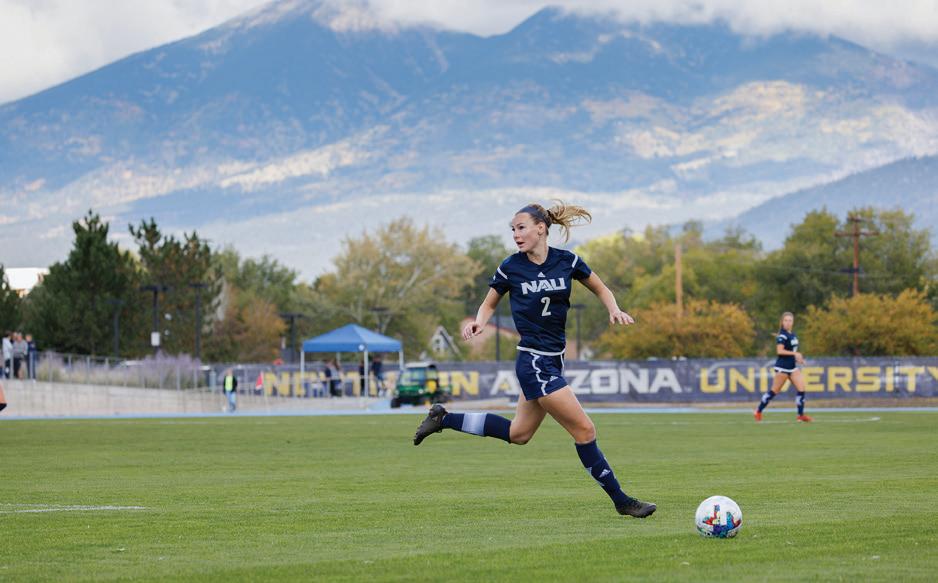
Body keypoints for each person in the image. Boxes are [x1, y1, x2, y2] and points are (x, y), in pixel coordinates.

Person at [413, 201, 656, 518]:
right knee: (585, 431)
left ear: (541, 228)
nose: (516, 234)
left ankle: (444, 418)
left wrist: (614, 309)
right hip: (535, 363)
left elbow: (600, 287)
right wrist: (479, 322)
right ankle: (622, 501)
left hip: (553, 360)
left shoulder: (567, 261)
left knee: (519, 434)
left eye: (521, 227)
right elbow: (489, 303)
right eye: (513, 230)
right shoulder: (511, 267)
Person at [755, 312, 812, 422]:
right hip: (783, 368)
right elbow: (780, 351)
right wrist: (795, 354)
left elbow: (791, 351)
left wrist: (798, 359)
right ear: (782, 322)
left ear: (793, 322)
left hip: (792, 367)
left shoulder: (792, 334)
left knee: (801, 389)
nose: (788, 322)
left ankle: (800, 415)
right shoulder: (782, 335)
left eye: (790, 320)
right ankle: (758, 411)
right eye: (786, 320)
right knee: (774, 391)